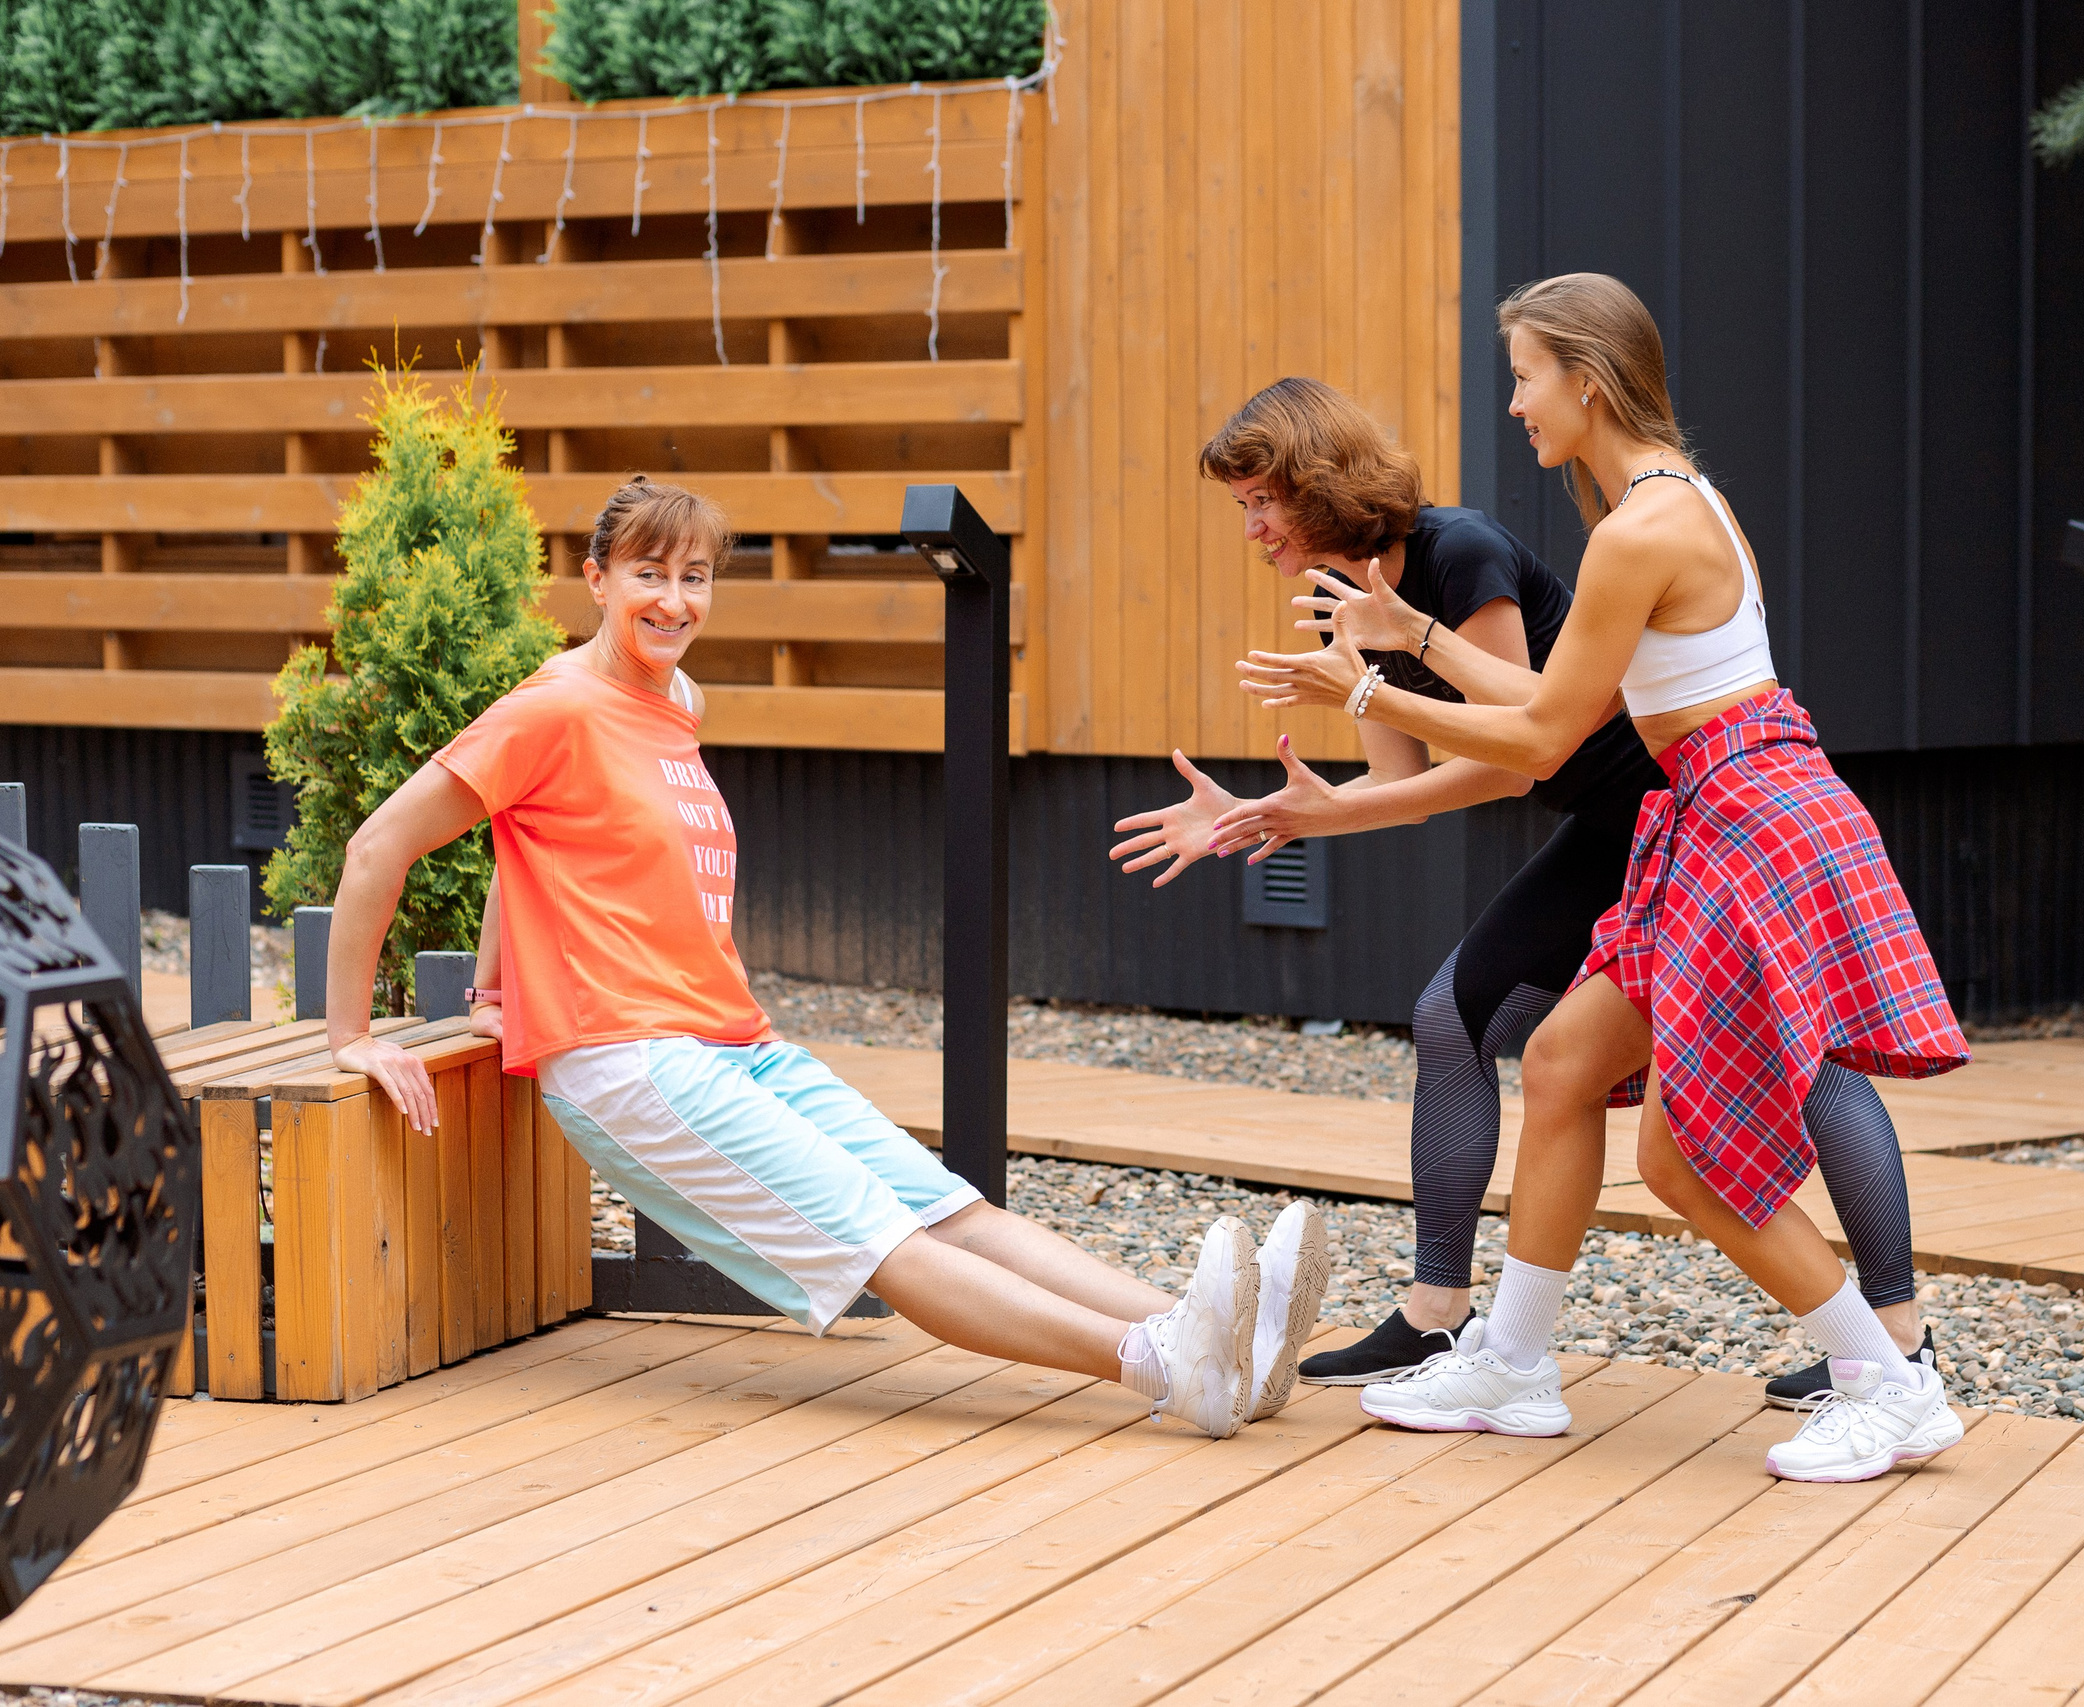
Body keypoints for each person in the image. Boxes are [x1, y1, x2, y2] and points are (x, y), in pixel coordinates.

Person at [326, 475, 1329, 1440]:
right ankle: (1160, 1363)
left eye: (695, 578)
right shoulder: (550, 707)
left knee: (951, 1209)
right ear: (596, 580)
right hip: (632, 1059)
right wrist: (352, 1036)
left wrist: (500, 984)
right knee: (878, 1238)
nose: (674, 601)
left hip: (731, 1039)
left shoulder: (675, 699)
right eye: (648, 574)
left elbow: (527, 835)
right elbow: (378, 846)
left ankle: (1219, 1334)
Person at [1237, 275, 1972, 1482]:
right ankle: (1516, 1365)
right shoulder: (1669, 505)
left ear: (1584, 377)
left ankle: (1885, 1380)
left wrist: (1365, 693)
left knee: (1681, 1159)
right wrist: (1411, 640)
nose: (1516, 404)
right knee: (1569, 1061)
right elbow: (1550, 707)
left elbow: (1537, 746)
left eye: (1526, 377)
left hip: (1744, 826)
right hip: (1714, 813)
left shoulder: (1640, 531)